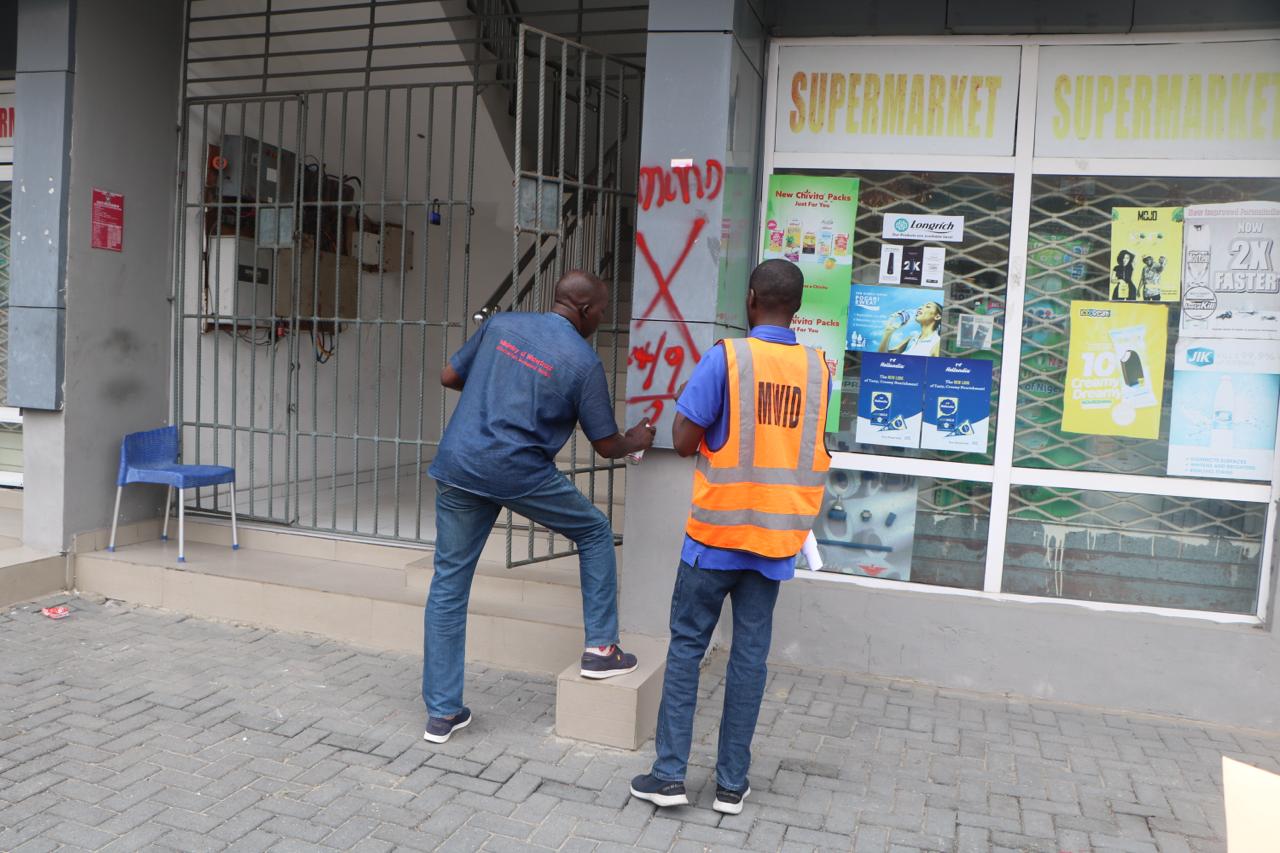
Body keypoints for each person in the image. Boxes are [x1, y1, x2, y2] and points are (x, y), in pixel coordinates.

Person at [629, 259, 831, 814]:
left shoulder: (728, 358)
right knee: (749, 659)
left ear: (750, 300)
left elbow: (686, 439)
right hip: (774, 543)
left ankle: (669, 776)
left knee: (688, 647)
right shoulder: (819, 369)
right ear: (797, 307)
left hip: (716, 537)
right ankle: (731, 786)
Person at [422, 270, 656, 744]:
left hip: (461, 462)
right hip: (516, 471)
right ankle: (601, 650)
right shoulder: (582, 362)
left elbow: (450, 375)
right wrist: (640, 437)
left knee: (448, 585)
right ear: (586, 310)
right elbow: (607, 445)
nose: (603, 319)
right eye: (603, 311)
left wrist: (495, 389)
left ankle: (442, 714)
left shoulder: (502, 326)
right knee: (593, 532)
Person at [878, 301, 942, 358]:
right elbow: (883, 357)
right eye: (921, 306)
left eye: (928, 306)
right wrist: (888, 332)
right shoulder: (911, 339)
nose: (920, 307)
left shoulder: (937, 343)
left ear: (937, 316)